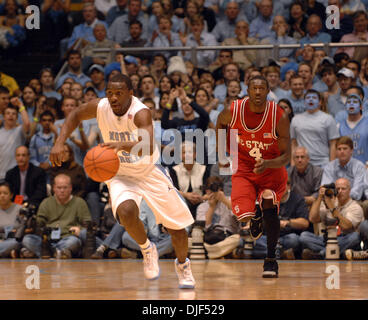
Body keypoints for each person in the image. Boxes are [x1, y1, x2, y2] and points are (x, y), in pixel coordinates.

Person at [49, 73, 196, 289]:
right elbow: (75, 115)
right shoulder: (101, 107)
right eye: (110, 93)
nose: (114, 98)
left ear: (130, 93)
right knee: (127, 212)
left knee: (177, 230)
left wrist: (123, 145)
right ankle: (147, 249)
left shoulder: (141, 112)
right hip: (119, 173)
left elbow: (147, 144)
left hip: (149, 171)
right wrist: (59, 142)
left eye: (119, 93)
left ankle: (183, 266)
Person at [216, 75, 291, 278]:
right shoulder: (233, 110)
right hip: (244, 169)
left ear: (268, 91)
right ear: (247, 91)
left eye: (262, 88)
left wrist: (268, 164)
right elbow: (220, 124)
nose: (258, 92)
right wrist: (223, 151)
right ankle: (254, 213)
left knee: (269, 202)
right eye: (254, 88)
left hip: (271, 167)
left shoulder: (279, 116)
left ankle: (270, 259)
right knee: (243, 216)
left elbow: (287, 156)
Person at [21, 174, 92, 259]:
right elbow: (39, 223)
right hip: (47, 240)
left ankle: (46, 253)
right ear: (54, 188)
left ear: (70, 188)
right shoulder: (46, 202)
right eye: (59, 188)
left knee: (74, 242)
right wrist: (32, 222)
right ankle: (59, 253)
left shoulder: (79, 202)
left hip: (67, 238)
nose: (62, 190)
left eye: (65, 187)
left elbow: (88, 225)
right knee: (27, 239)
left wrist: (79, 229)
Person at [299, 178, 364, 260]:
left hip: (345, 239)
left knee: (355, 237)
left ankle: (321, 254)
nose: (340, 191)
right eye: (337, 189)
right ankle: (335, 253)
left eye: (343, 189)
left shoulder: (355, 207)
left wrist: (332, 208)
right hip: (327, 239)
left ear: (349, 191)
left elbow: (346, 226)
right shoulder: (329, 202)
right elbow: (312, 219)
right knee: (304, 236)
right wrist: (319, 197)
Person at [252, 178, 310, 260]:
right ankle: (281, 253)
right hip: (268, 237)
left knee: (295, 240)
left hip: (287, 236)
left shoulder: (297, 199)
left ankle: (272, 252)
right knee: (255, 241)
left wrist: (287, 222)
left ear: (288, 186)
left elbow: (305, 223)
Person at [290, 90, 339, 168]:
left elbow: (333, 144)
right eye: (308, 98)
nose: (311, 99)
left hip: (323, 163)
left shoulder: (328, 118)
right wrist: (293, 165)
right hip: (302, 163)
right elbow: (293, 144)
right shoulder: (295, 119)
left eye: (314, 98)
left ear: (320, 102)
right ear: (304, 102)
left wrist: (331, 166)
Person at [321, 136, 368, 202]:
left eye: (345, 149)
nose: (342, 151)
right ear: (336, 151)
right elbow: (325, 189)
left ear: (351, 151)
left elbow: (357, 193)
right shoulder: (329, 167)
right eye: (339, 149)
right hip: (333, 201)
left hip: (353, 202)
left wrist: (340, 196)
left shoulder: (359, 166)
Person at [0, 98, 30, 180]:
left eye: (13, 114)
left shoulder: (19, 131)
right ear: (3, 117)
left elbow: (27, 123)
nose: (10, 115)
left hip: (16, 175)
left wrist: (20, 105)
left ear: (17, 118)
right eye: (8, 113)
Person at [338, 94, 368, 164]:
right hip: (346, 168)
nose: (351, 104)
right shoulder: (339, 126)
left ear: (361, 107)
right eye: (348, 102)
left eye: (354, 102)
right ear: (345, 107)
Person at [0, 181, 22, 258]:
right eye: (0, 193)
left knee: (15, 243)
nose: (2, 196)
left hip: (13, 240)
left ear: (11, 195)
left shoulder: (20, 209)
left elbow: (25, 229)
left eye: (5, 193)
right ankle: (8, 253)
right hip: (1, 240)